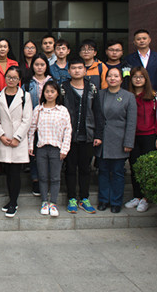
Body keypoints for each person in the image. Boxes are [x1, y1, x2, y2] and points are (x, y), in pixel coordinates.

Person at [60, 58, 104, 214]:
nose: (77, 70)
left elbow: (98, 112)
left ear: (85, 70)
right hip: (69, 136)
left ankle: (84, 198)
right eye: (74, 68)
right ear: (68, 71)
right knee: (70, 168)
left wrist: (98, 134)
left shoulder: (92, 88)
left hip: (88, 135)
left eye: (80, 68)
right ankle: (72, 198)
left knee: (85, 169)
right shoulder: (63, 88)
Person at [27, 80, 72, 217]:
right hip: (41, 148)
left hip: (57, 149)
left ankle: (53, 203)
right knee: (42, 176)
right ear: (43, 93)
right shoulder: (38, 109)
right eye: (47, 91)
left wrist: (65, 149)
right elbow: (32, 129)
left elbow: (68, 130)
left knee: (55, 177)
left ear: (57, 93)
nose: (50, 94)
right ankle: (44, 202)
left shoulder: (62, 110)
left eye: (52, 91)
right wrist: (30, 146)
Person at [0, 66, 33, 218]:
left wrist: (17, 138)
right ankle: (11, 200)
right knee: (7, 172)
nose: (11, 80)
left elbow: (27, 119)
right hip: (4, 140)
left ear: (19, 80)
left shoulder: (25, 96)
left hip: (18, 141)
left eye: (14, 78)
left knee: (15, 173)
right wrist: (1, 135)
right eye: (9, 77)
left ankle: (13, 203)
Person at [125, 66, 157, 213]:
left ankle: (146, 198)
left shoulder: (154, 96)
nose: (138, 79)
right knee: (134, 166)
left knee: (147, 168)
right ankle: (137, 196)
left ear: (146, 79)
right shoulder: (128, 95)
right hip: (132, 136)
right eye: (135, 77)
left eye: (141, 77)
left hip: (149, 136)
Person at [96, 67, 137, 213]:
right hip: (103, 140)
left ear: (121, 79)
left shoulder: (128, 97)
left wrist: (128, 142)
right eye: (110, 76)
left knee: (118, 173)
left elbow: (131, 122)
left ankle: (116, 202)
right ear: (106, 78)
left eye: (116, 76)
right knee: (103, 171)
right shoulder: (100, 94)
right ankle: (103, 200)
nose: (112, 78)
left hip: (119, 140)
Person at [23, 53, 53, 196]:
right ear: (32, 66)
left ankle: (47, 180)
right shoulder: (27, 83)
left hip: (49, 122)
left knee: (48, 152)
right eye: (36, 64)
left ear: (46, 66)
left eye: (42, 64)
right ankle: (35, 179)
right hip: (33, 122)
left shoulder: (52, 81)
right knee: (34, 152)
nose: (39, 67)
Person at [125, 29, 157, 105]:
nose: (141, 41)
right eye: (138, 39)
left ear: (149, 40)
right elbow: (127, 79)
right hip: (135, 96)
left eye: (144, 38)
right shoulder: (128, 59)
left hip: (155, 95)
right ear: (134, 42)